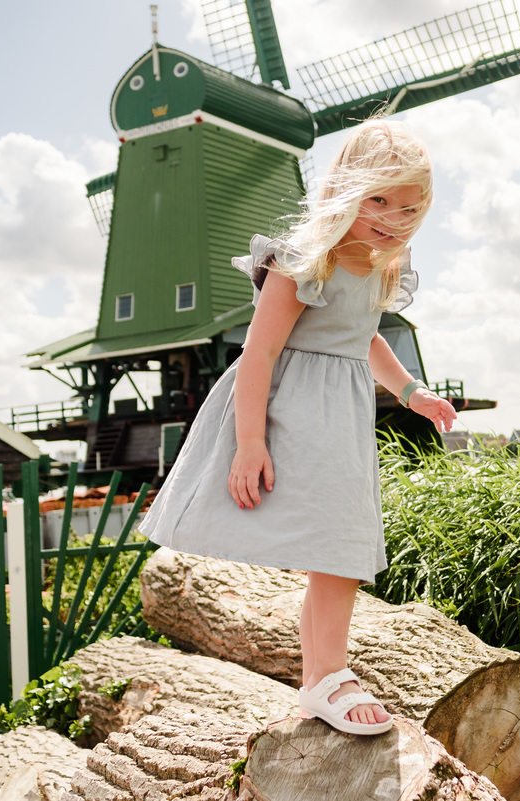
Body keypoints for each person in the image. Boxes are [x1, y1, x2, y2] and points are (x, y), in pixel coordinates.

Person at [139, 119, 457, 735]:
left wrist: (411, 391)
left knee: (337, 548)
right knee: (339, 547)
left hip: (342, 417)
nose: (393, 217)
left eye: (408, 206)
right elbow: (258, 354)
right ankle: (330, 677)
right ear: (344, 189)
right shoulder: (304, 261)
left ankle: (319, 678)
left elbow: (363, 338)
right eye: (378, 199)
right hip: (291, 413)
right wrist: (250, 443)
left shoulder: (381, 265)